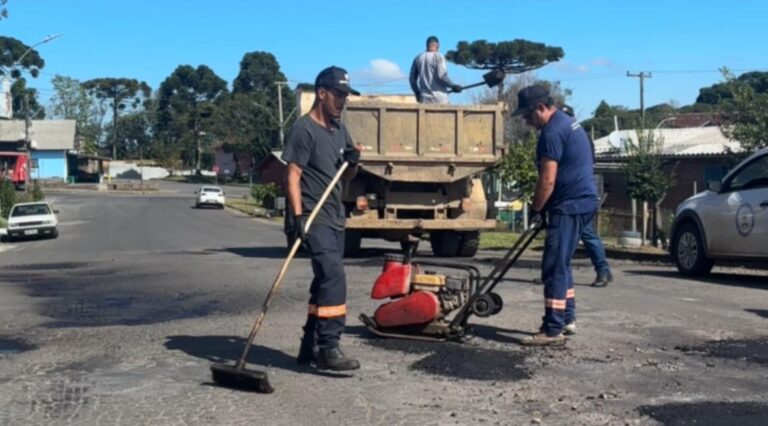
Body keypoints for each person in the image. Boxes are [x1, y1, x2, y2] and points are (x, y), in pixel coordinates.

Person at [281, 66, 362, 371]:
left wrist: (353, 163)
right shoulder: (304, 129)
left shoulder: (340, 130)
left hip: (334, 215)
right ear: (322, 93)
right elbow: (292, 174)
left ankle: (309, 345)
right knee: (334, 276)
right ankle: (329, 346)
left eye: (346, 96)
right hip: (313, 216)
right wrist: (298, 218)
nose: (343, 101)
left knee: (322, 282)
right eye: (339, 95)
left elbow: (346, 177)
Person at [513, 85, 599, 346]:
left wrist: (537, 208)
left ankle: (552, 328)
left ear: (540, 107)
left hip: (568, 205)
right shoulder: (568, 122)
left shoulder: (551, 132)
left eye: (528, 116)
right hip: (582, 202)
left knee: (553, 266)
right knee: (562, 263)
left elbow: (547, 180)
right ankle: (567, 317)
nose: (528, 123)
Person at [561, 105, 613, 288]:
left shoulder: (574, 136)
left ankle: (602, 271)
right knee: (583, 234)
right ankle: (602, 271)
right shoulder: (581, 136)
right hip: (582, 193)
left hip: (577, 194)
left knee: (576, 235)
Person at [409, 35, 462, 104]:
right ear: (437, 45)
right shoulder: (439, 56)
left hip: (424, 99)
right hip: (440, 99)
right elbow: (442, 76)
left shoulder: (418, 58)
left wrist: (417, 92)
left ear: (426, 45)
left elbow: (412, 79)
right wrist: (453, 86)